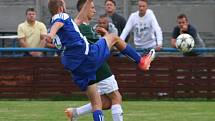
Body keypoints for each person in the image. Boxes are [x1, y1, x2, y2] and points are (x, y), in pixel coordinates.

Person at [46, 0, 155, 121]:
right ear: (61, 8)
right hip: (87, 57)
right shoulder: (61, 17)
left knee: (97, 103)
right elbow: (59, 22)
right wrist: (50, 34)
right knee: (113, 37)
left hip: (76, 68)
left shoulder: (65, 26)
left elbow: (76, 19)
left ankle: (75, 114)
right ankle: (141, 61)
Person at [64, 0, 122, 121]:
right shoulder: (82, 28)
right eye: (92, 8)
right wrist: (107, 36)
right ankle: (75, 113)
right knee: (116, 98)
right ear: (84, 9)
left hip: (92, 66)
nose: (94, 11)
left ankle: (74, 113)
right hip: (99, 66)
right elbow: (100, 49)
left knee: (104, 102)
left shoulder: (83, 27)